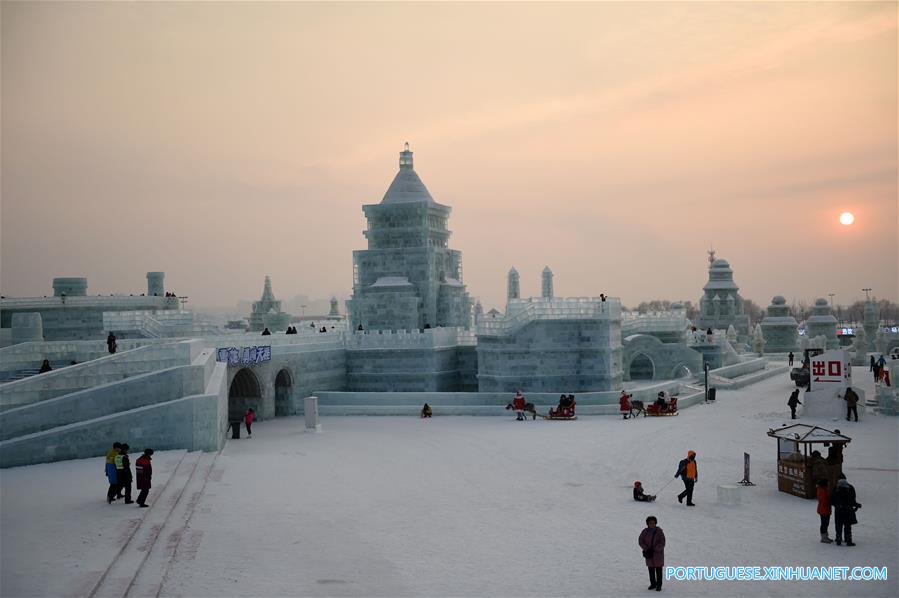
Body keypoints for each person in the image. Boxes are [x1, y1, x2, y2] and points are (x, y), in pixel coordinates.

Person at [831, 474, 861, 546]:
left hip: (838, 510)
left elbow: (832, 500)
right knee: (847, 525)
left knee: (838, 525)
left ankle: (838, 539)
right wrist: (856, 505)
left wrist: (837, 506)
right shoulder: (850, 487)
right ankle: (848, 540)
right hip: (848, 510)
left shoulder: (836, 488)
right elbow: (853, 500)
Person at [638, 516, 666, 591]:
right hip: (649, 555)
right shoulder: (645, 531)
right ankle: (653, 584)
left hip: (658, 555)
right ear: (647, 524)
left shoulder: (659, 532)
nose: (652, 524)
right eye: (650, 523)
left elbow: (662, 542)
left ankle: (659, 585)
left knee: (659, 571)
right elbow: (640, 540)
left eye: (653, 523)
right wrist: (646, 548)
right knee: (651, 570)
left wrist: (655, 549)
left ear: (656, 523)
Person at [816, 479, 833, 543]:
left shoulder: (822, 489)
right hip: (824, 509)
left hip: (824, 509)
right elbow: (824, 500)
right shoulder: (822, 490)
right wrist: (831, 501)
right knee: (824, 524)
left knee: (825, 523)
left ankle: (825, 537)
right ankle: (824, 538)